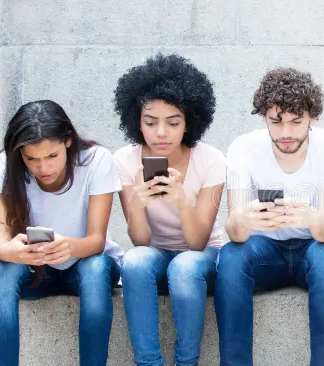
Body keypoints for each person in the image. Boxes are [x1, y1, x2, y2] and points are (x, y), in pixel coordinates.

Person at [215, 67, 324, 366]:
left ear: (312, 118)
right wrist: (247, 219)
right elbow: (234, 231)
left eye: (296, 121)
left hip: (314, 246)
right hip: (265, 250)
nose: (286, 133)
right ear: (264, 117)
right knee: (232, 256)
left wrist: (309, 217)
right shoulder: (244, 148)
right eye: (276, 122)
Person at [0, 100, 123, 366]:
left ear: (68, 141)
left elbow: (96, 241)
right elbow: (0, 243)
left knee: (95, 268)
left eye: (51, 156)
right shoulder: (6, 163)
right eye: (31, 159)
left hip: (85, 265)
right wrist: (15, 252)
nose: (43, 168)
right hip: (35, 269)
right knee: (1, 271)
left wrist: (67, 247)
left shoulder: (96, 160)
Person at [113, 53, 227, 366]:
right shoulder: (124, 160)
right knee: (134, 262)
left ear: (190, 121)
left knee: (186, 265)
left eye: (173, 122)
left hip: (202, 257)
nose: (161, 133)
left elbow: (197, 243)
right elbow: (140, 241)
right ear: (136, 120)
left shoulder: (212, 160)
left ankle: (186, 361)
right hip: (155, 254)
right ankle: (148, 362)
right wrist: (137, 204)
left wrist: (179, 199)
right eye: (151, 122)